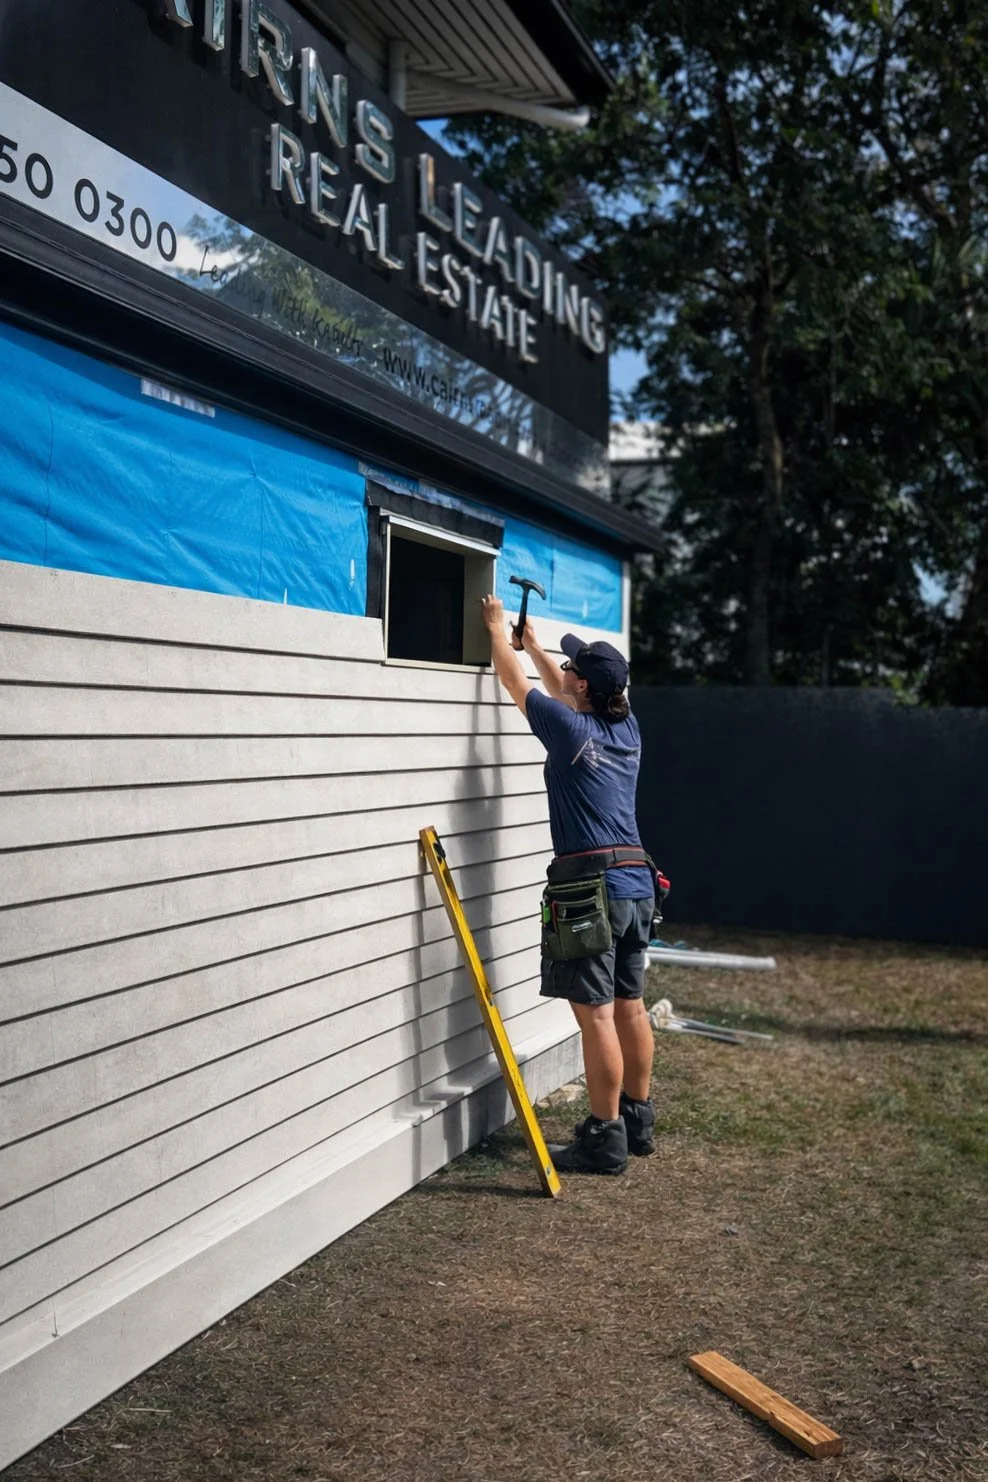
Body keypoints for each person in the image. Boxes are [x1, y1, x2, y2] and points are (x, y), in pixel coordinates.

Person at [480, 595, 657, 1176]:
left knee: (598, 1015)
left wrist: (496, 633)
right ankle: (636, 1118)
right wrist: (534, 644)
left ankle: (603, 1138)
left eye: (575, 667)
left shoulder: (568, 728)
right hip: (637, 883)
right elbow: (563, 690)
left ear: (584, 688)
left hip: (595, 889)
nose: (569, 671)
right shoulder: (625, 726)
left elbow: (518, 685)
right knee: (630, 1007)